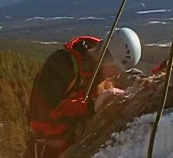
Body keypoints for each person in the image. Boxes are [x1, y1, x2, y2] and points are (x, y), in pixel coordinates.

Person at [23, 28, 142, 158]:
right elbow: (52, 110)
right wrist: (91, 106)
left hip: (80, 146)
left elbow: (133, 75)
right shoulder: (61, 64)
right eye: (115, 68)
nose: (117, 75)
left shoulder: (103, 67)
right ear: (104, 58)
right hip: (49, 150)